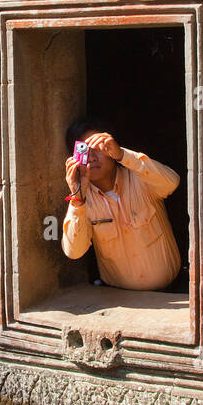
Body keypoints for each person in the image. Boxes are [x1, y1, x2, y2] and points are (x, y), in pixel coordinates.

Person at [61, 118, 181, 291]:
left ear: (112, 147)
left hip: (172, 291)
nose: (92, 158)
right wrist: (77, 198)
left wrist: (122, 155)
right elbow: (74, 251)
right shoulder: (83, 201)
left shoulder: (141, 178)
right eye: (85, 151)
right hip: (119, 300)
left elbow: (172, 182)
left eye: (99, 148)